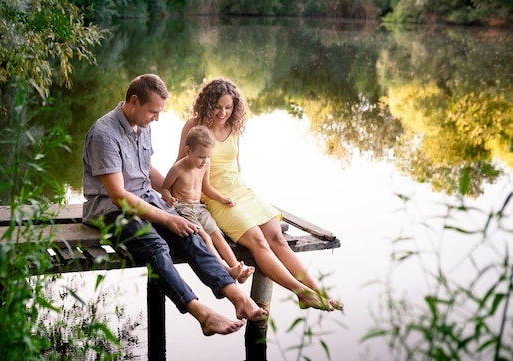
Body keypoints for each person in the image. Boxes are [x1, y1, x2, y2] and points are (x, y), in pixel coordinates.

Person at [81, 74, 267, 337]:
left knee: (189, 233)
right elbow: (119, 196)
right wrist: (168, 219)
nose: (156, 118)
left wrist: (171, 193)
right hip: (112, 212)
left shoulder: (141, 125)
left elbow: (145, 170)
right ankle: (202, 314)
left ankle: (237, 297)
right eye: (153, 111)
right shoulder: (104, 135)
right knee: (157, 247)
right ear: (134, 101)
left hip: (147, 200)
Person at [177, 77, 343, 311]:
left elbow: (235, 164)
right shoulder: (194, 126)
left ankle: (318, 291)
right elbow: (181, 165)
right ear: (207, 103)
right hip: (214, 196)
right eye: (218, 106)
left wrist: (244, 191)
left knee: (277, 239)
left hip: (241, 190)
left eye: (229, 107)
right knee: (258, 242)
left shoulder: (233, 127)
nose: (223, 112)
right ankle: (301, 292)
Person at [160, 125, 255, 284]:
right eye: (201, 157)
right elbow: (164, 188)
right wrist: (169, 198)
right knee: (204, 236)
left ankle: (238, 267)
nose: (205, 161)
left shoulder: (205, 164)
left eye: (208, 156)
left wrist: (221, 198)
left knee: (217, 234)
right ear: (187, 151)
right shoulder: (178, 169)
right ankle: (225, 268)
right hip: (183, 208)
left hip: (200, 207)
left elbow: (206, 187)